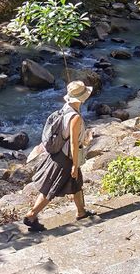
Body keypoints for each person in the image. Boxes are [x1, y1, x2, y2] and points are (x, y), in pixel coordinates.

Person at [23, 80, 93, 232]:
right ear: (82, 98)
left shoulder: (65, 108)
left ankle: (81, 212)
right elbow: (74, 143)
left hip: (58, 152)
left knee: (76, 185)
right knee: (51, 189)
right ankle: (31, 215)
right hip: (66, 158)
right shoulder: (75, 118)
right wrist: (74, 165)